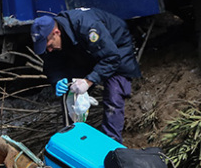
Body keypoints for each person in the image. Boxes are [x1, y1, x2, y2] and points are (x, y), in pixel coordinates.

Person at [31, 8, 141, 143]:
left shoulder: (87, 26)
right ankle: (74, 140)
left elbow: (111, 57)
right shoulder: (55, 41)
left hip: (116, 49)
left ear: (56, 32)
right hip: (86, 53)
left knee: (114, 93)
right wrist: (57, 80)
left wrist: (89, 81)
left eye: (49, 45)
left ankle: (112, 145)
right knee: (71, 94)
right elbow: (52, 66)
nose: (49, 49)